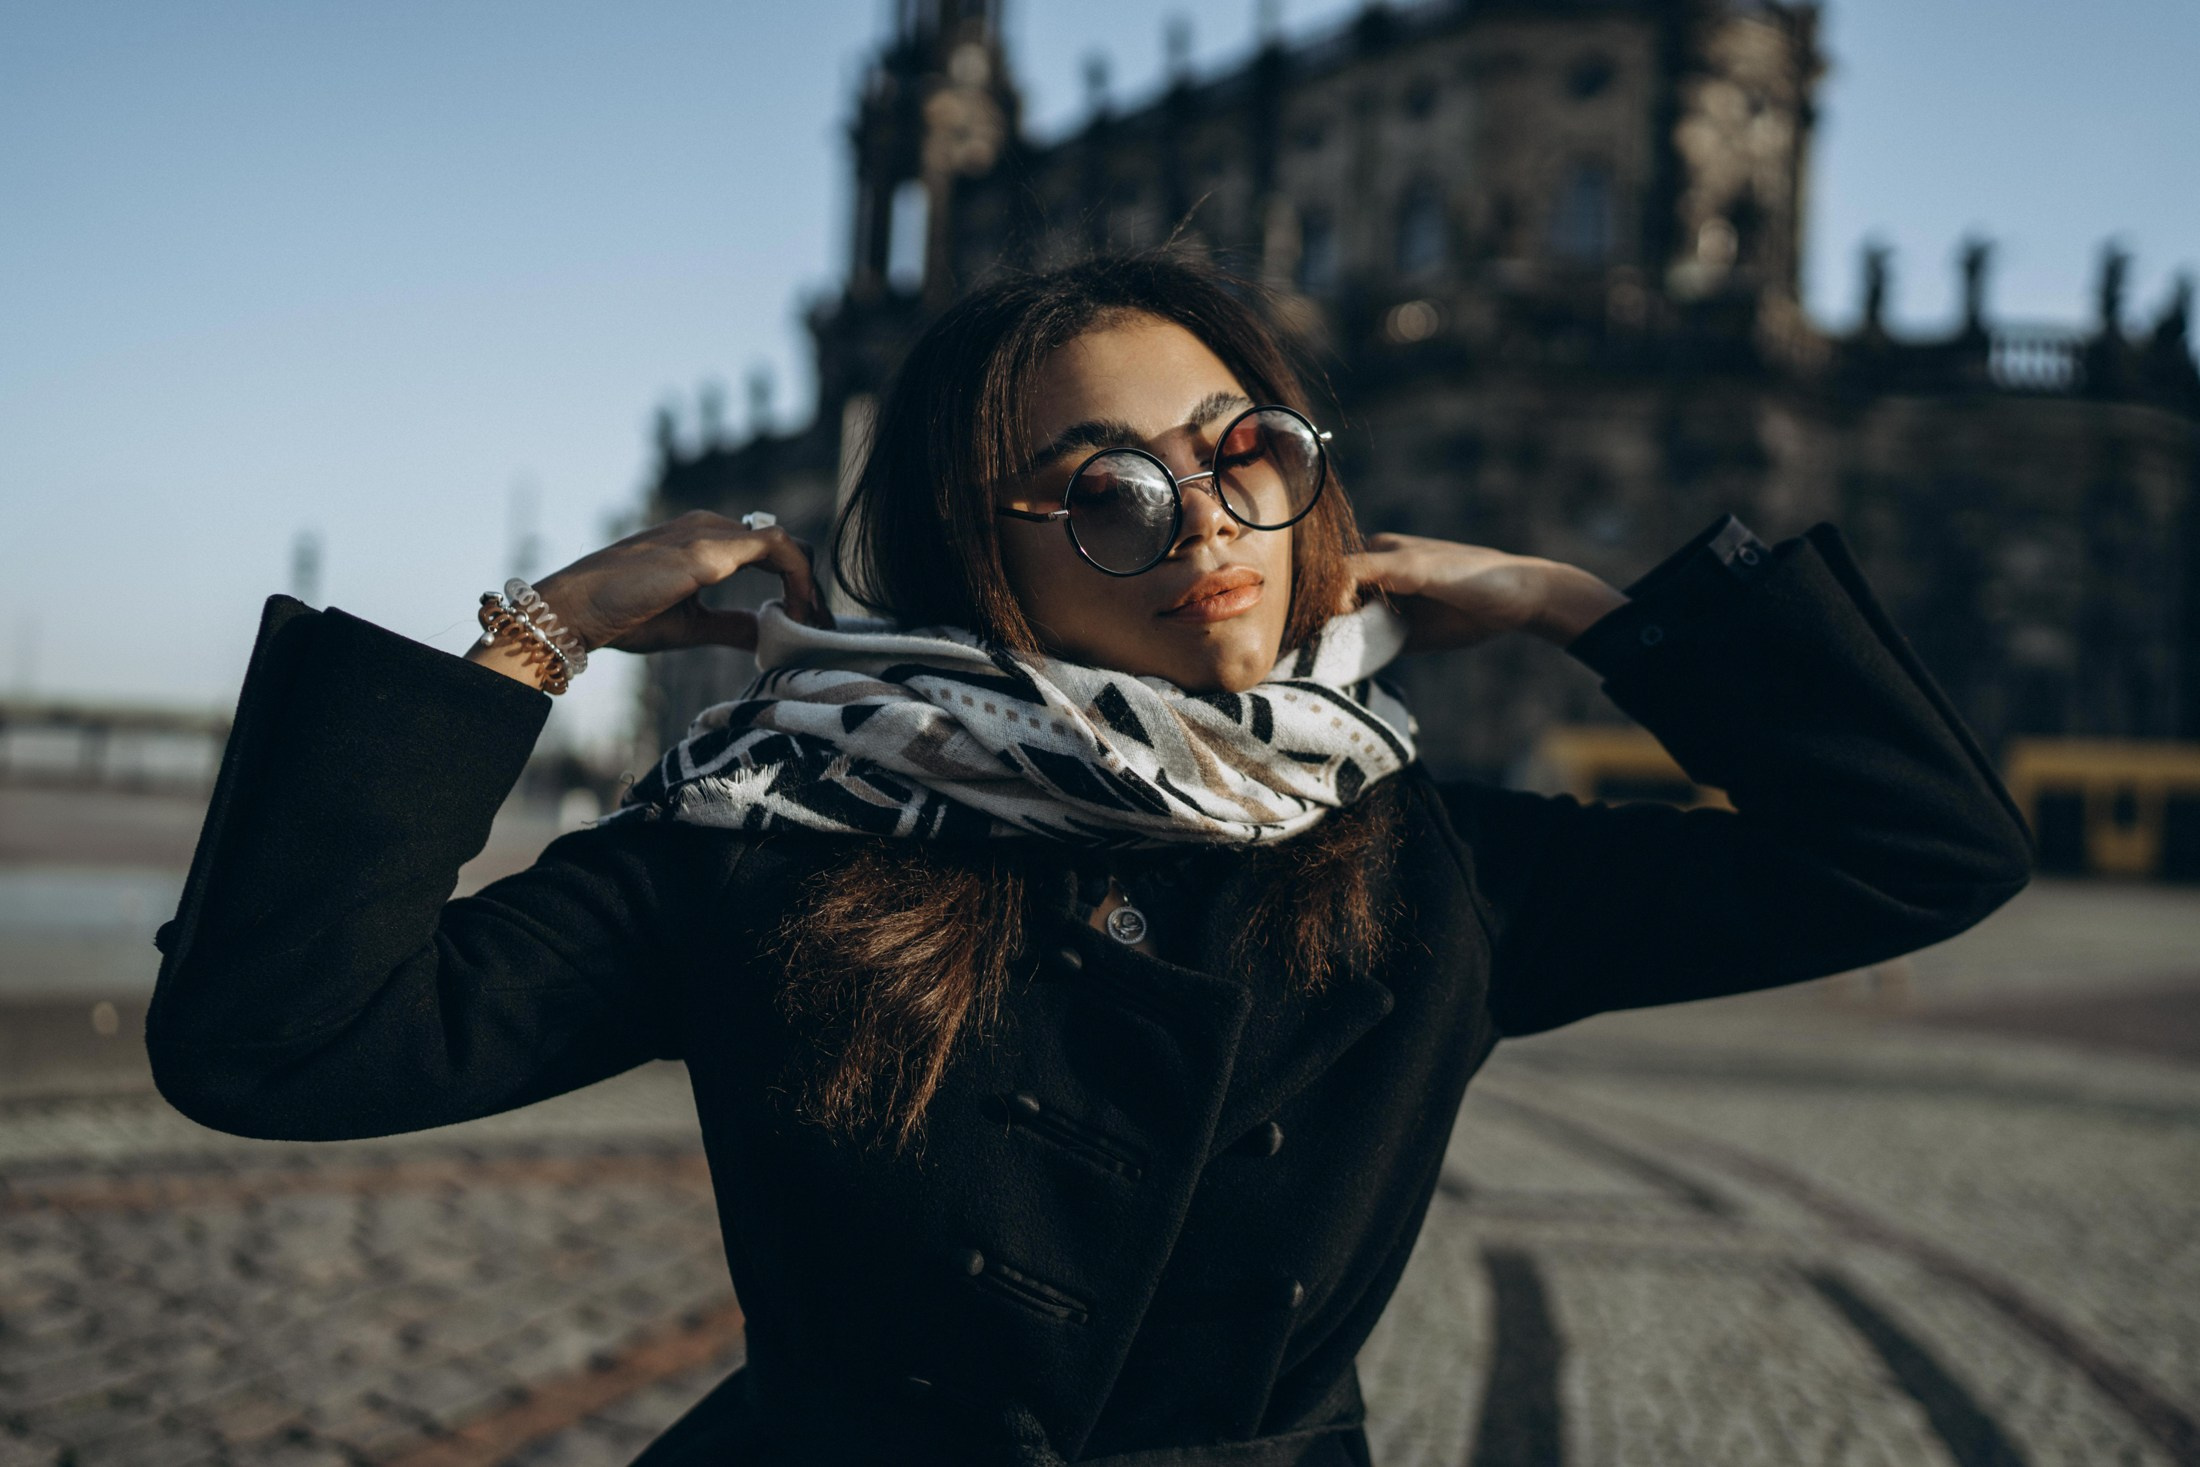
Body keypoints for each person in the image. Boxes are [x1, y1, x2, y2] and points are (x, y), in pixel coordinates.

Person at [147, 253, 2033, 1466]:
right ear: (983, 551)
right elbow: (285, 1042)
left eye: (1243, 451)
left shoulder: (1423, 866)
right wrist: (539, 634)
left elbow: (1915, 852)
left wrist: (1579, 606)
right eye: (1118, 488)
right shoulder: (768, 845)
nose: (1208, 515)